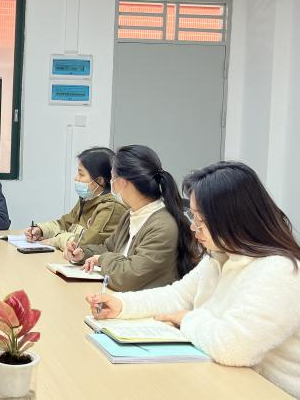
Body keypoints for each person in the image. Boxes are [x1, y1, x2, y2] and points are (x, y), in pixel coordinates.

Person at [87, 161, 300, 398]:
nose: (192, 227)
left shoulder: (279, 270)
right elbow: (178, 295)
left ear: (232, 218)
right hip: (226, 379)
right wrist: (123, 305)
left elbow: (232, 346)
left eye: (200, 220)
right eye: (193, 217)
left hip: (270, 390)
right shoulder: (220, 256)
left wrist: (186, 319)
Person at [66, 144, 198, 291]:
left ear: (122, 182)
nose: (111, 184)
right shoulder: (131, 215)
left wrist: (102, 260)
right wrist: (83, 253)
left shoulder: (163, 226)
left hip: (146, 302)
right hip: (121, 296)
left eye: (112, 178)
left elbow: (128, 278)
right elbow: (108, 248)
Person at [24, 147, 126, 250]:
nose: (76, 178)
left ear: (99, 180)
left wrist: (56, 240)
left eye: (81, 174)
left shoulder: (111, 208)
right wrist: (41, 230)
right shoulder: (87, 199)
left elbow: (85, 244)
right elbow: (66, 223)